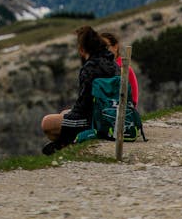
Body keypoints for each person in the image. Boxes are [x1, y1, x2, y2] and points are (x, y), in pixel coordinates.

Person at [41, 25, 118, 155]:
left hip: (95, 119)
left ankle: (64, 144)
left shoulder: (91, 67)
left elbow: (83, 106)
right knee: (64, 113)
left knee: (47, 123)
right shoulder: (111, 62)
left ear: (82, 49)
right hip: (111, 115)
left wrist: (68, 118)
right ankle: (65, 144)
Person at [100, 31, 139, 107]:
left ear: (115, 47)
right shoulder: (99, 68)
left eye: (106, 47)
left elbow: (134, 99)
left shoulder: (125, 67)